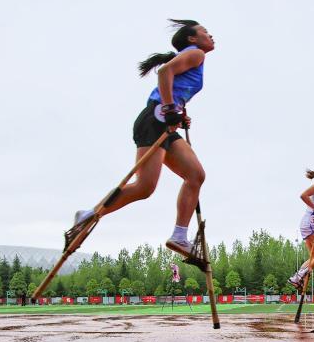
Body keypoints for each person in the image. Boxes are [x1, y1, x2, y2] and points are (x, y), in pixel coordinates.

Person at [70, 19, 215, 265]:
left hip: (166, 123)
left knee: (195, 175)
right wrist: (170, 108)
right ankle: (89, 215)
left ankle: (180, 235)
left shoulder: (195, 58)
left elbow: (173, 84)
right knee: (144, 187)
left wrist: (179, 112)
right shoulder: (196, 53)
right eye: (205, 32)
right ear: (192, 39)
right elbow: (164, 72)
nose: (210, 35)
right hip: (155, 120)